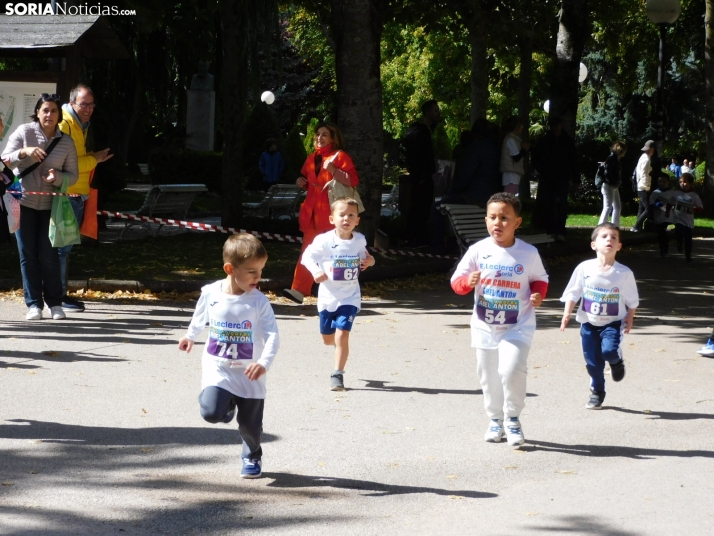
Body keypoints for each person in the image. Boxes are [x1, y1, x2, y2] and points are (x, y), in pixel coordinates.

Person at [450, 192, 549, 447]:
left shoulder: (528, 253)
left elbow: (540, 278)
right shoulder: (478, 250)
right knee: (488, 375)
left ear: (517, 222)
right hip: (485, 326)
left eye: (504, 218)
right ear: (486, 220)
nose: (498, 223)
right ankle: (495, 420)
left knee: (511, 369)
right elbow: (456, 281)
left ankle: (513, 419)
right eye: (493, 217)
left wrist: (538, 293)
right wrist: (466, 282)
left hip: (518, 325)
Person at [178, 233, 279, 479]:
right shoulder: (211, 292)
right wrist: (190, 336)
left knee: (250, 427)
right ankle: (225, 407)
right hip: (218, 366)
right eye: (251, 271)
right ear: (230, 269)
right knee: (211, 413)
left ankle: (251, 456)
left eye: (261, 270)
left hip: (249, 372)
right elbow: (200, 315)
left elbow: (273, 336)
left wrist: (263, 363)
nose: (258, 277)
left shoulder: (258, 301)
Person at [1, 93, 78, 321]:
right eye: (45, 110)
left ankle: (55, 303)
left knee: (49, 255)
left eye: (54, 111)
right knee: (27, 254)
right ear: (37, 112)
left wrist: (58, 177)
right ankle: (34, 304)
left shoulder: (65, 141)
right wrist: (24, 152)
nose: (49, 115)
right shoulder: (24, 132)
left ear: (59, 115)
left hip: (51, 206)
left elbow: (73, 175)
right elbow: (4, 159)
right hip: (22, 203)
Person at [560, 223, 639, 409]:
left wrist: (630, 316)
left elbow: (631, 298)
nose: (609, 240)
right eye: (604, 236)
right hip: (588, 323)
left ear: (619, 246)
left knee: (609, 351)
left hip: (612, 322)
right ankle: (597, 391)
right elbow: (573, 292)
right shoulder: (584, 268)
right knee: (593, 362)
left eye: (613, 237)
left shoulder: (624, 273)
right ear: (593, 244)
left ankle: (616, 361)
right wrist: (566, 314)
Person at [300, 197, 375, 390]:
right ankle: (336, 346)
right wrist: (316, 271)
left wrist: (370, 262)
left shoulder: (359, 240)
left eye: (351, 215)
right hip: (328, 298)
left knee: (342, 336)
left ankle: (337, 375)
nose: (346, 219)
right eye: (342, 215)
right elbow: (307, 257)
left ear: (357, 220)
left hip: (350, 297)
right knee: (328, 339)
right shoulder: (324, 241)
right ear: (332, 219)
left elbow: (365, 257)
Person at [282, 122, 358, 304]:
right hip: (312, 214)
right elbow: (314, 184)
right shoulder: (311, 158)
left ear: (333, 138)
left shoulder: (340, 156)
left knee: (336, 253)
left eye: (324, 134)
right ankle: (299, 290)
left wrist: (334, 170)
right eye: (318, 134)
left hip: (333, 214)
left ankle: (340, 293)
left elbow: (353, 180)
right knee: (308, 251)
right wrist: (304, 183)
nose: (319, 137)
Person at [57, 84, 113, 312]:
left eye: (91, 104)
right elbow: (65, 163)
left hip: (76, 191)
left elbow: (75, 159)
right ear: (72, 104)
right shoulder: (65, 124)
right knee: (61, 248)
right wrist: (94, 160)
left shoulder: (80, 124)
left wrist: (91, 157)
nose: (88, 109)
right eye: (83, 104)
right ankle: (56, 296)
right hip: (66, 193)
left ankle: (58, 294)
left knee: (64, 248)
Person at [431, 118, 500, 254]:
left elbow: (465, 176)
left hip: (474, 196)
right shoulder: (498, 147)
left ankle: (438, 248)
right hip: (491, 195)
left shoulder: (476, 148)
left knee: (437, 208)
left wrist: (453, 191)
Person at [531, 116, 578, 242]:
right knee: (549, 204)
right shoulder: (545, 140)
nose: (554, 128)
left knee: (561, 204)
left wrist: (576, 179)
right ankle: (551, 229)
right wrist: (542, 171)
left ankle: (560, 230)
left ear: (561, 126)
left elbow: (573, 160)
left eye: (556, 125)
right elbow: (537, 158)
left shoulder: (567, 141)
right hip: (548, 178)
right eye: (552, 126)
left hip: (562, 177)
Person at [403, 100, 441, 246]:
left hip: (420, 175)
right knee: (421, 207)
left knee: (418, 207)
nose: (438, 114)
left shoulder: (417, 130)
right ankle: (416, 238)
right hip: (422, 176)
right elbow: (419, 156)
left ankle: (414, 237)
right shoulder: (421, 132)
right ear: (427, 113)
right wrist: (422, 175)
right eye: (435, 111)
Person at [672, 172, 703, 263]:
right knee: (679, 231)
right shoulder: (676, 193)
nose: (682, 184)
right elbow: (670, 203)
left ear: (690, 184)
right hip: (678, 218)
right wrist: (667, 211)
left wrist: (694, 210)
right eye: (681, 182)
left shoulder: (694, 196)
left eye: (685, 182)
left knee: (688, 239)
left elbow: (700, 207)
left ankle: (688, 256)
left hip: (688, 221)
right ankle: (679, 242)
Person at [598, 141, 626, 227]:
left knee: (617, 207)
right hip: (609, 185)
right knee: (608, 207)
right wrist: (614, 181)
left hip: (613, 185)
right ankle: (601, 227)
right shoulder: (612, 159)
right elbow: (608, 173)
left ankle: (615, 226)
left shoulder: (615, 159)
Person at [500, 115, 529, 195]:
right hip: (511, 174)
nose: (522, 128)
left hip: (512, 173)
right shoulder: (510, 140)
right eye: (521, 126)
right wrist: (524, 149)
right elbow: (516, 157)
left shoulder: (512, 139)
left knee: (509, 198)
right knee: (508, 199)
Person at [630, 140, 655, 233]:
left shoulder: (643, 157)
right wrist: (647, 186)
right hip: (643, 187)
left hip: (640, 186)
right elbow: (644, 174)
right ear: (652, 149)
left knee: (641, 208)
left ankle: (638, 227)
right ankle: (636, 226)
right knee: (648, 209)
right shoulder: (646, 159)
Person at [649, 174, 676, 257]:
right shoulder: (655, 193)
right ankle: (663, 249)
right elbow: (651, 203)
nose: (662, 183)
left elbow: (675, 203)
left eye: (664, 181)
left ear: (668, 182)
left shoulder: (671, 192)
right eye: (660, 181)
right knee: (661, 233)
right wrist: (656, 205)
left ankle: (664, 249)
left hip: (667, 216)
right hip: (658, 216)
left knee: (662, 230)